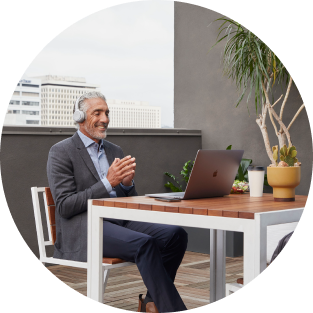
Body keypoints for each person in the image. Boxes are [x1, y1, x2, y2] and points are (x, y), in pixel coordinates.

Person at [47, 91, 188, 313]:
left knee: (175, 235)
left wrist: (126, 185)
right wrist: (107, 182)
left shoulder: (114, 150)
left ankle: (152, 302)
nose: (105, 119)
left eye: (107, 113)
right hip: (86, 227)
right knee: (144, 244)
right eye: (98, 113)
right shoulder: (61, 152)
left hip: (119, 220)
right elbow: (64, 206)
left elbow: (127, 201)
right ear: (79, 117)